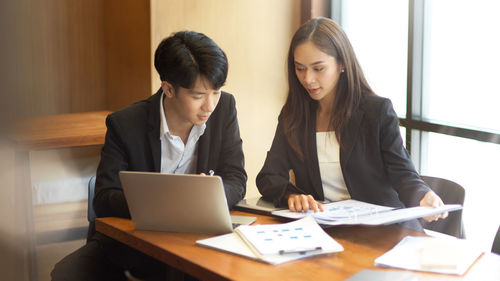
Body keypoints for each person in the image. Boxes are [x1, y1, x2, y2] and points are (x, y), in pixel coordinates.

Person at [51, 30, 246, 281]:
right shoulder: (125, 124)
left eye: (216, 92)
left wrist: (209, 196)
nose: (209, 105)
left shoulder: (225, 108)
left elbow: (236, 177)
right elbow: (104, 197)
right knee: (68, 273)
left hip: (200, 242)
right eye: (198, 95)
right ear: (169, 89)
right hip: (135, 243)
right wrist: (165, 203)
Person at [256, 17, 445, 230]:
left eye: (318, 68)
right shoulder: (294, 115)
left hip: (384, 232)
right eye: (300, 68)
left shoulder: (376, 111)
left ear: (342, 64)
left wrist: (423, 195)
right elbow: (268, 176)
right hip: (328, 231)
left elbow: (403, 173)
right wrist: (292, 194)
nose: (308, 79)